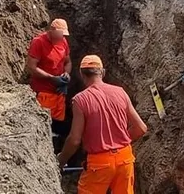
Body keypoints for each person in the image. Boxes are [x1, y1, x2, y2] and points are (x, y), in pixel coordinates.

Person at [58, 55, 148, 194]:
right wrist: (118, 142)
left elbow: (74, 140)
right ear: (103, 72)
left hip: (99, 163)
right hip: (125, 159)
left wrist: (61, 160)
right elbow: (141, 128)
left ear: (82, 74)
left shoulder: (80, 100)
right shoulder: (120, 92)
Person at [26, 19, 72, 140]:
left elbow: (68, 62)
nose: (61, 37)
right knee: (45, 124)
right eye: (59, 34)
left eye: (63, 35)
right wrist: (51, 78)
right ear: (51, 31)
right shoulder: (39, 42)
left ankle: (56, 148)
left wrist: (66, 74)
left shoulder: (63, 42)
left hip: (59, 92)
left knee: (58, 125)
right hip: (43, 92)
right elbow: (31, 67)